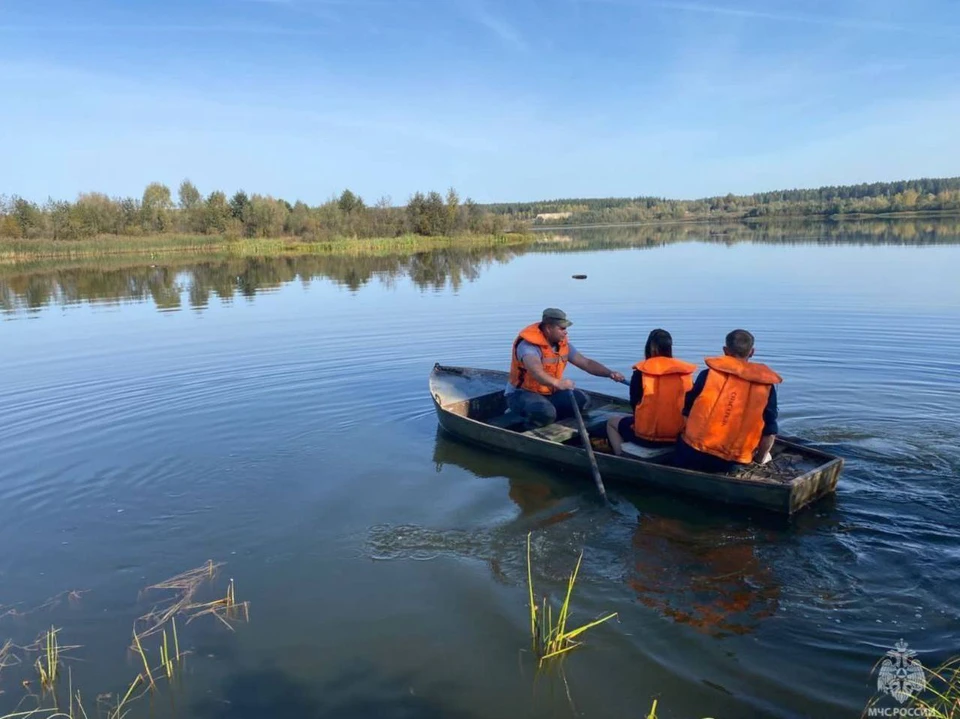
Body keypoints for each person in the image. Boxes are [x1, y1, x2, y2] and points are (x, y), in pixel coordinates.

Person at [675, 329, 781, 474]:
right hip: (733, 463)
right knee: (766, 453)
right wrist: (759, 460)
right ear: (752, 352)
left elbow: (687, 411)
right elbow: (770, 431)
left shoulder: (707, 375)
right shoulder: (766, 386)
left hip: (693, 455)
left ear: (725, 350)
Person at [506, 308, 625, 429]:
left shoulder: (563, 345)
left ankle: (553, 417)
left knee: (583, 400)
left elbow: (586, 363)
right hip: (521, 394)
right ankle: (527, 428)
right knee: (544, 412)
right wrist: (558, 383)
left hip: (550, 392)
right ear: (548, 328)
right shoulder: (528, 346)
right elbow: (536, 372)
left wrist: (609, 373)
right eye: (562, 328)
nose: (565, 332)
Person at [606, 329, 697, 456]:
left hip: (648, 438)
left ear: (649, 347)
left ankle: (620, 458)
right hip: (679, 436)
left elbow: (634, 405)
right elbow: (691, 405)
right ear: (670, 347)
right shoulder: (684, 373)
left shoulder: (640, 372)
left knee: (611, 423)